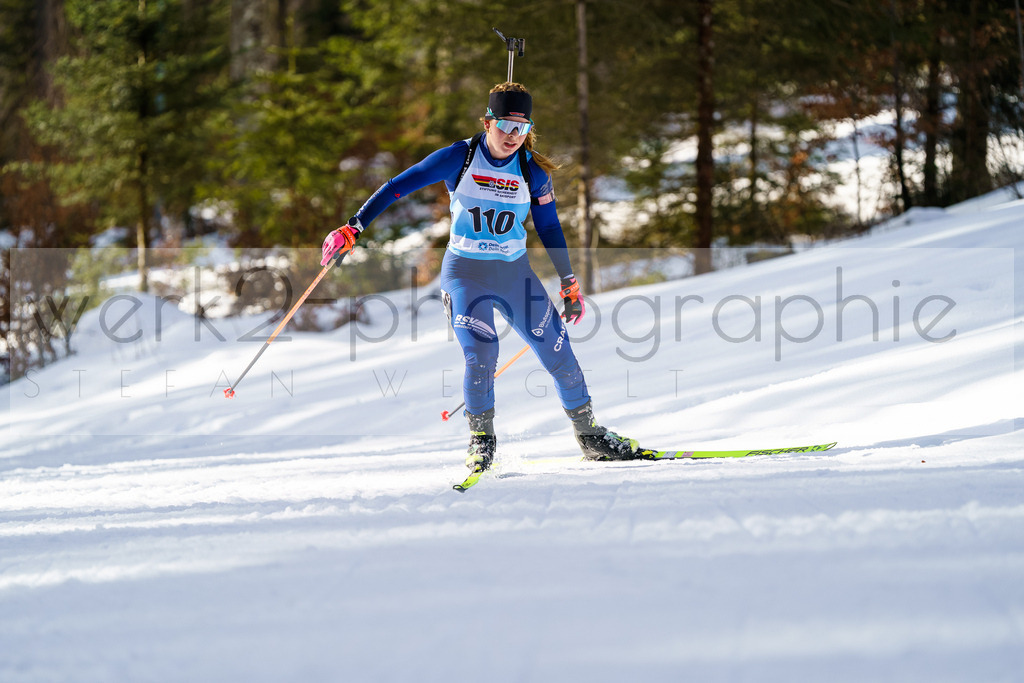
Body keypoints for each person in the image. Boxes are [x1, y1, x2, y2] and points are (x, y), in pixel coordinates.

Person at [321, 82, 640, 475]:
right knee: (482, 354)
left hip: (514, 273)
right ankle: (481, 443)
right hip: (465, 273)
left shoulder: (532, 171)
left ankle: (589, 435)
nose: (512, 136)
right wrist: (353, 227)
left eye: (521, 129)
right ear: (488, 121)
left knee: (558, 351)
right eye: (505, 125)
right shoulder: (460, 156)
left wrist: (569, 282)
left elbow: (550, 227)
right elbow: (397, 187)